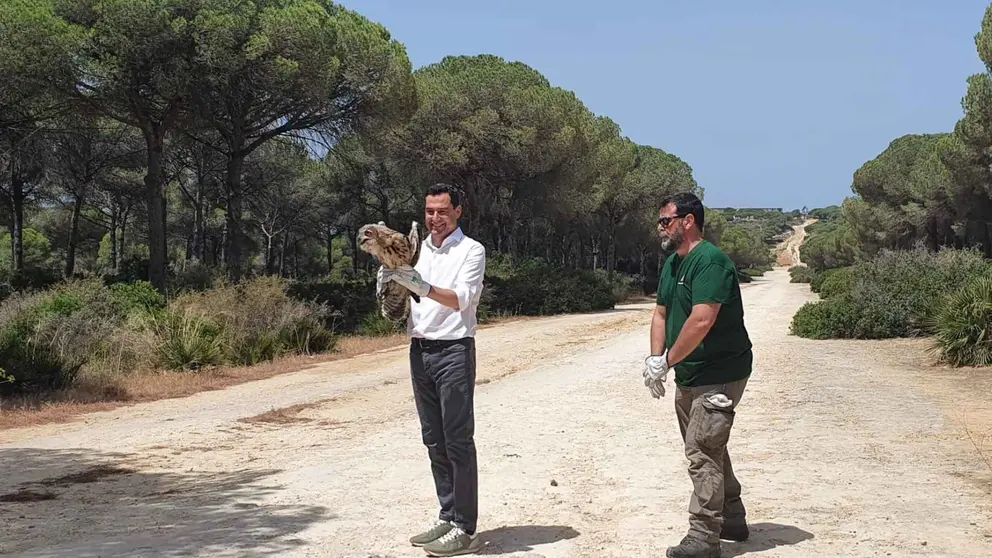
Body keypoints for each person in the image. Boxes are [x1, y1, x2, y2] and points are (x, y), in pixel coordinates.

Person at [642, 191, 754, 558]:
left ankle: (705, 537)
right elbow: (661, 313)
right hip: (689, 374)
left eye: (666, 221)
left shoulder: (711, 262)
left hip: (720, 371)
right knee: (709, 446)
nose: (660, 228)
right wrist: (655, 359)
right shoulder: (672, 265)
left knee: (702, 451)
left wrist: (667, 361)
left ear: (688, 221)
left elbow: (702, 320)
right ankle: (732, 518)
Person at [378, 183, 487, 557]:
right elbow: (404, 295)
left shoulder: (471, 250)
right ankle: (448, 515)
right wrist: (392, 282)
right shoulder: (417, 249)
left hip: (454, 351)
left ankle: (466, 529)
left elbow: (461, 300)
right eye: (429, 211)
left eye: (442, 211)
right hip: (419, 350)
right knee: (434, 440)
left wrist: (421, 285)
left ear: (457, 212)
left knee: (458, 440)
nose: (435, 218)